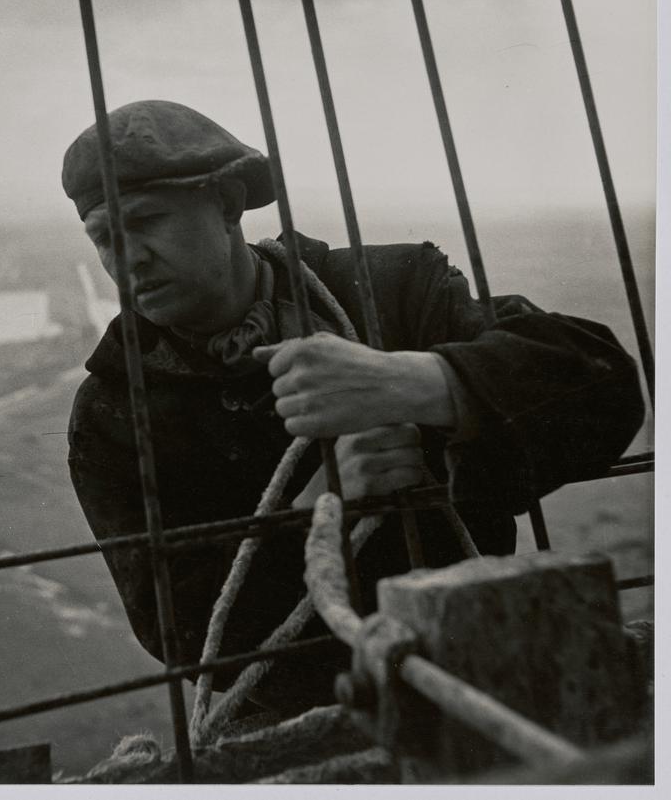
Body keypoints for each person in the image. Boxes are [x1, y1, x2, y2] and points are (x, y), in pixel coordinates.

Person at [63, 99, 644, 716]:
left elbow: (606, 386)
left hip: (482, 673)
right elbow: (181, 635)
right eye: (104, 238)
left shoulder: (392, 292)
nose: (127, 259)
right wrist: (315, 517)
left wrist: (420, 382)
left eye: (147, 221)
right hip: (302, 716)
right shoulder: (111, 415)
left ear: (228, 205)